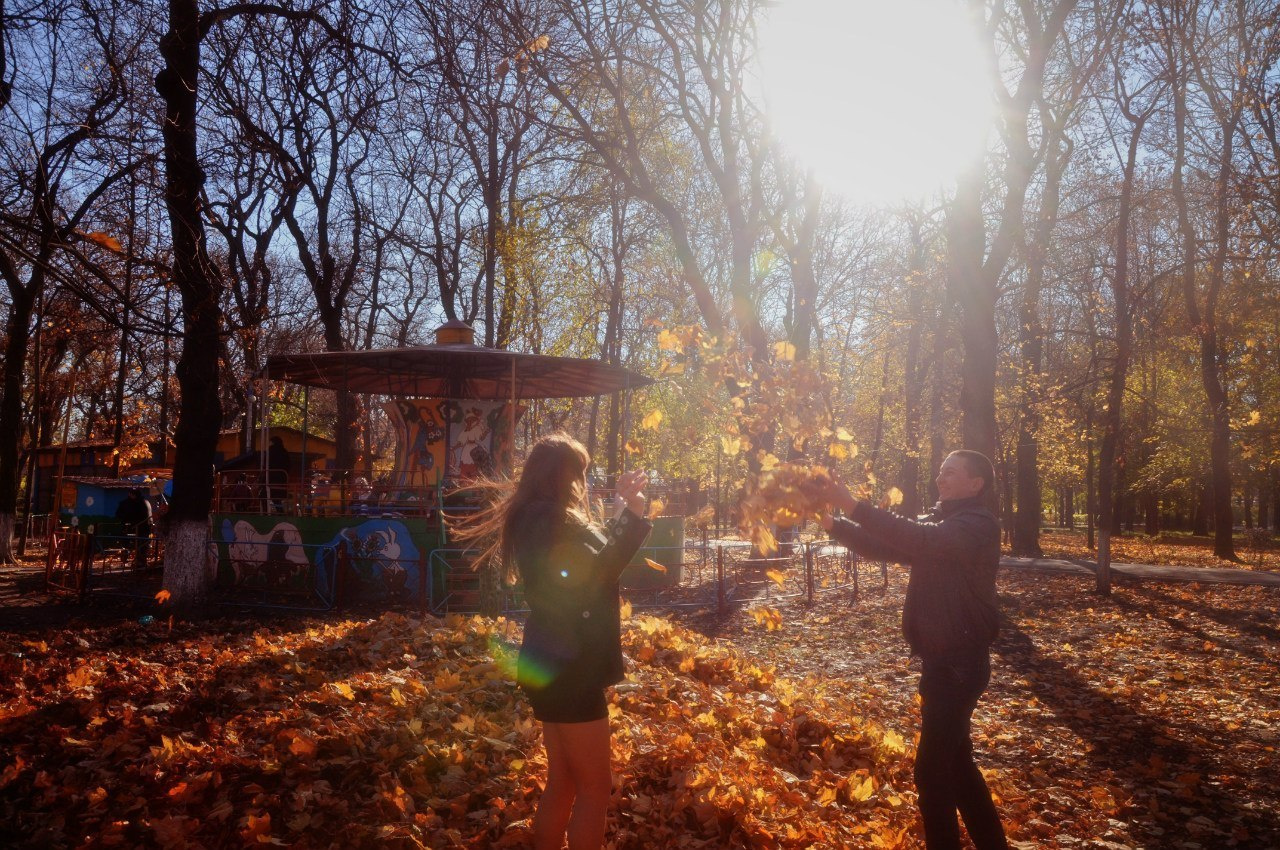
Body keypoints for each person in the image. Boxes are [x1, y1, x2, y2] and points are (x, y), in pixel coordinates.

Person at [454, 434, 650, 850]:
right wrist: (632, 515)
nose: (583, 480)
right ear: (564, 475)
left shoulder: (535, 516)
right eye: (579, 471)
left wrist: (621, 512)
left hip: (548, 662)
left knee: (563, 779)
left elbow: (590, 559)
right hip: (573, 666)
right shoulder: (553, 519)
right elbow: (596, 573)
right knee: (597, 788)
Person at [809, 450, 1008, 850]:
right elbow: (887, 545)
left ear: (976, 484)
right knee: (956, 766)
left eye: (949, 472)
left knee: (931, 771)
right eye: (940, 471)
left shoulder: (976, 525)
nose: (940, 478)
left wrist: (853, 503)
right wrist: (832, 522)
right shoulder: (946, 521)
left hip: (960, 665)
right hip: (943, 663)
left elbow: (919, 539)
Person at [114, 488, 153, 569]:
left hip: (135, 528)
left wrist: (127, 522)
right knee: (142, 545)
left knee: (132, 544)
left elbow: (121, 515)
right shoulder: (145, 502)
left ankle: (136, 562)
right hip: (144, 527)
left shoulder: (133, 503)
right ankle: (140, 562)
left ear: (131, 494)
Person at [267, 436, 290, 512]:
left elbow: (267, 463)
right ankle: (280, 510)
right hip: (282, 477)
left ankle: (277, 511)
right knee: (279, 495)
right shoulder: (284, 451)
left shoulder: (271, 451)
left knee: (271, 495)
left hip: (272, 477)